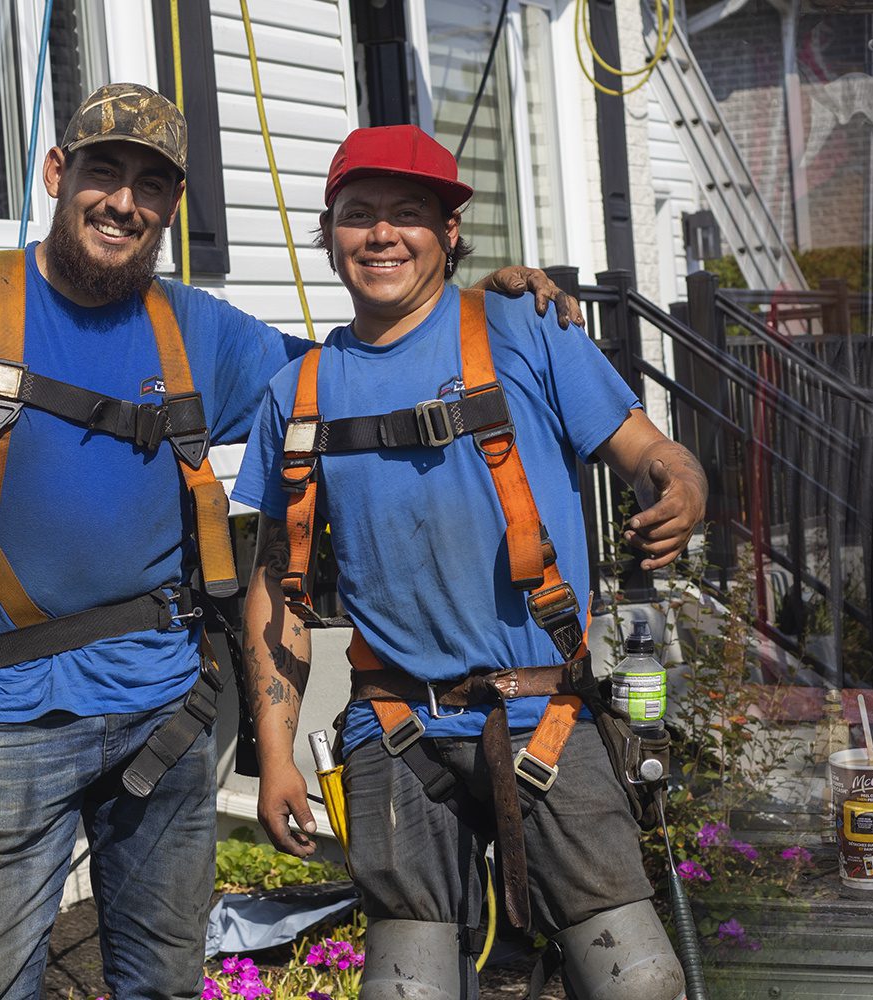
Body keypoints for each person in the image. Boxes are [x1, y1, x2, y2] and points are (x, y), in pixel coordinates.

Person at [0, 83, 584, 1000]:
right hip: (12, 716)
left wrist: (485, 304)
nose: (124, 200)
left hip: (167, 711)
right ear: (55, 172)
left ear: (171, 209)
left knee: (163, 985)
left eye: (150, 185)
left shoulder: (200, 331)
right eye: (103, 172)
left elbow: (366, 374)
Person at [234, 124, 705, 1000]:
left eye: (407, 214)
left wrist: (681, 486)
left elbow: (651, 452)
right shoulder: (297, 394)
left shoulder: (527, 332)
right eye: (357, 214)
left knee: (638, 979)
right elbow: (276, 588)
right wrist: (274, 755)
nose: (381, 235)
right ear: (329, 233)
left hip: (544, 718)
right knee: (407, 989)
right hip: (396, 730)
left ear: (450, 232)